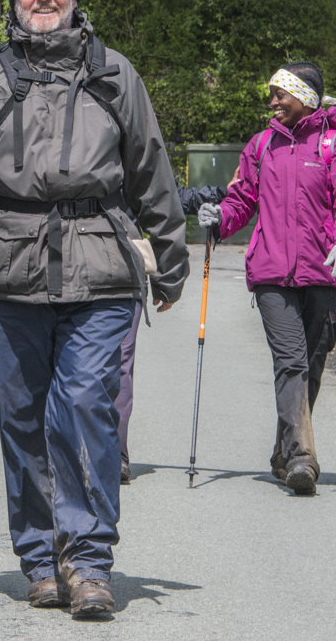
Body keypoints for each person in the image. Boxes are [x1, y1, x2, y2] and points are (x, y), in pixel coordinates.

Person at [0, 0, 189, 617]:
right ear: (14, 0)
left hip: (99, 265)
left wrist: (171, 256)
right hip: (8, 273)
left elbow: (152, 168)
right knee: (22, 419)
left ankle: (89, 560)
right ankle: (40, 557)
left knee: (87, 410)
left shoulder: (115, 75)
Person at [197, 62, 336, 497]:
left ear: (306, 97)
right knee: (290, 360)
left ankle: (283, 449)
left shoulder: (335, 146)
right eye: (271, 93)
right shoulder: (260, 146)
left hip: (323, 271)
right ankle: (302, 460)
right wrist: (220, 217)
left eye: (281, 94)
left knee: (311, 363)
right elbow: (243, 199)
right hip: (272, 271)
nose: (272, 101)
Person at [116, 182, 229, 485]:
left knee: (118, 365)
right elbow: (160, 197)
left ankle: (112, 455)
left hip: (121, 270)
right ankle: (101, 455)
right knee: (114, 366)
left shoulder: (122, 137)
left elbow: (162, 197)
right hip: (94, 267)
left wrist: (220, 193)